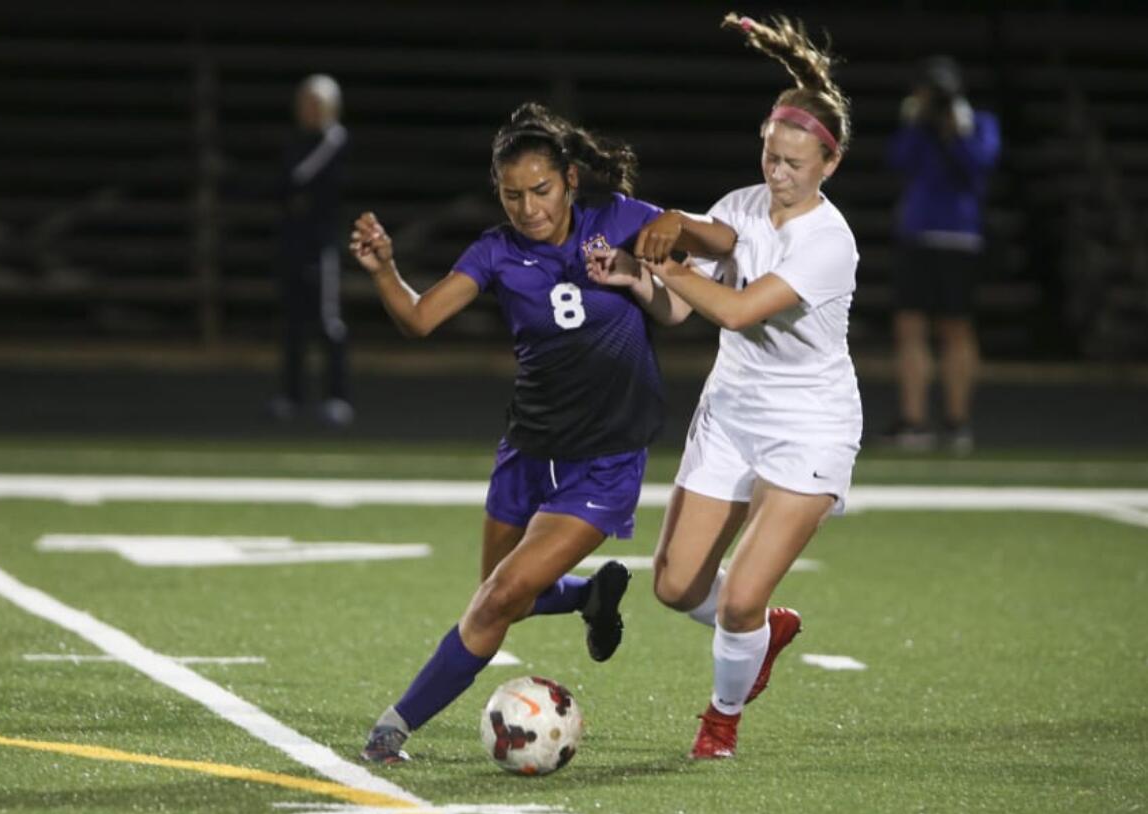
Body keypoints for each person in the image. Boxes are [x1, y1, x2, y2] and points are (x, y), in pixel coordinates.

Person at [349, 102, 676, 763]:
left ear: (571, 180)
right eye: (512, 194)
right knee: (503, 599)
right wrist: (384, 267)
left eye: (541, 190)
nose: (528, 207)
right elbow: (419, 319)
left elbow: (720, 243)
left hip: (603, 461)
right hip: (527, 450)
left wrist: (679, 221)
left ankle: (394, 725)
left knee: (500, 597)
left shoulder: (620, 218)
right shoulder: (495, 251)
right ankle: (588, 594)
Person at [587, 13, 860, 759]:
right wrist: (637, 277)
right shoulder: (742, 206)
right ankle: (763, 634)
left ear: (828, 165)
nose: (778, 171)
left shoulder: (828, 241)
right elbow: (679, 307)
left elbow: (736, 309)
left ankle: (720, 720)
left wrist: (670, 252)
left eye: (796, 162)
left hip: (808, 424)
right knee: (675, 586)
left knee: (740, 594)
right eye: (771, 155)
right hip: (732, 411)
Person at [885, 56, 1001, 453]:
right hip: (917, 234)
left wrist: (958, 133)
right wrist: (918, 123)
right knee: (910, 326)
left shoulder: (978, 122)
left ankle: (957, 422)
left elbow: (980, 166)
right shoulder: (917, 124)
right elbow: (898, 160)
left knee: (956, 328)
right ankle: (913, 422)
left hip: (959, 238)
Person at [270, 74, 354, 427]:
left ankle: (338, 397)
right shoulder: (297, 141)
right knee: (293, 322)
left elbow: (294, 181)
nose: (308, 111)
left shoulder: (333, 141)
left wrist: (293, 193)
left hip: (323, 248)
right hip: (294, 244)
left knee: (328, 322)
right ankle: (291, 395)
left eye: (316, 104)